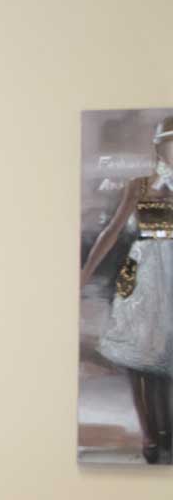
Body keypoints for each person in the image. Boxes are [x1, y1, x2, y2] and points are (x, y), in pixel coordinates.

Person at [83, 114, 173, 463]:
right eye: (168, 144)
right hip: (146, 272)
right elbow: (113, 231)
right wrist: (86, 271)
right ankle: (150, 434)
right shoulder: (138, 185)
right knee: (141, 357)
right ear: (158, 147)